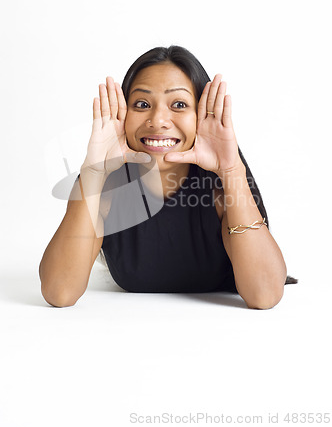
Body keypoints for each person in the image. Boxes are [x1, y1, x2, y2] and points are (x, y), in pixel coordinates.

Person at [39, 45, 297, 309]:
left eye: (179, 104)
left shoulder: (222, 188)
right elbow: (60, 292)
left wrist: (231, 171)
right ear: (123, 114)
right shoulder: (104, 186)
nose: (158, 120)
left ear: (202, 115)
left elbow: (264, 295)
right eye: (142, 104)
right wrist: (93, 172)